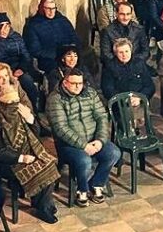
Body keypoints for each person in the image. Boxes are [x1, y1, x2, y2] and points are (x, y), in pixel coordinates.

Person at [0, 86, 60, 224]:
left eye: (16, 101)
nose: (14, 106)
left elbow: (36, 134)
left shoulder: (20, 112)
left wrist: (30, 119)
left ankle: (42, 204)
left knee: (49, 163)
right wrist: (21, 158)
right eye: (11, 103)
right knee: (41, 169)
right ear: (3, 102)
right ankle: (43, 208)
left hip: (30, 151)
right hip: (9, 160)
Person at [46, 67, 120, 206]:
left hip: (93, 138)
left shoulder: (90, 93)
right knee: (84, 161)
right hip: (69, 145)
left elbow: (101, 117)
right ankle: (82, 190)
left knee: (114, 153)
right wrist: (83, 145)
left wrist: (100, 140)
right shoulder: (55, 99)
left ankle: (96, 183)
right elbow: (61, 128)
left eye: (80, 83)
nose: (77, 87)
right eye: (73, 83)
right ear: (65, 82)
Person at [0, 12, 41, 109]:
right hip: (1, 70)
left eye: (7, 25)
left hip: (18, 68)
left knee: (27, 81)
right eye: (2, 25)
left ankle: (33, 109)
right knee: (23, 82)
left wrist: (22, 68)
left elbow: (26, 55)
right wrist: (1, 40)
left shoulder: (16, 36)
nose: (5, 28)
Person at [23, 0, 79, 75]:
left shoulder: (63, 20)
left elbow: (74, 38)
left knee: (81, 68)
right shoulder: (33, 25)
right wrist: (58, 55)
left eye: (53, 9)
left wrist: (70, 52)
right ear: (42, 8)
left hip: (68, 56)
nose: (51, 11)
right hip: (49, 59)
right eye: (48, 8)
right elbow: (35, 50)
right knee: (57, 72)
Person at [100, 1, 149, 66]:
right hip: (115, 66)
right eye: (122, 14)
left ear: (131, 14)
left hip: (136, 64)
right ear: (116, 14)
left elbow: (145, 51)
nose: (125, 18)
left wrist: (134, 62)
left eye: (128, 14)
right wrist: (121, 63)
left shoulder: (139, 29)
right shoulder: (107, 31)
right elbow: (105, 54)